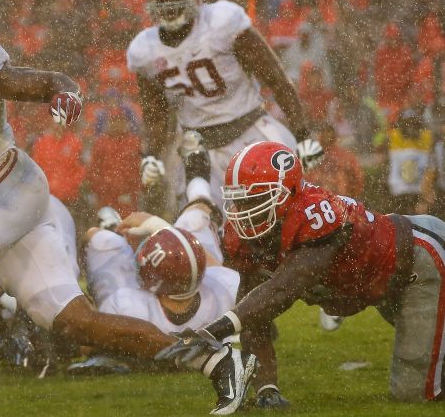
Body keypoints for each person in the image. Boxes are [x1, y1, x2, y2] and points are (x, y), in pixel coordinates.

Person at [0, 0, 255, 415]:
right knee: (74, 321)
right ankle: (216, 361)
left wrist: (64, 91)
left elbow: (38, 82)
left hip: (6, 180)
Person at [164, 140, 445, 406]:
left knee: (414, 392)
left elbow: (283, 289)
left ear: (290, 192)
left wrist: (211, 331)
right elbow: (254, 314)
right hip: (380, 285)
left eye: (256, 199)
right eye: (240, 200)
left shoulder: (315, 213)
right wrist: (267, 388)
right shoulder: (248, 236)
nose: (245, 211)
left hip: (418, 267)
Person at [128, 0, 306, 214]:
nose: (169, 5)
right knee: (200, 224)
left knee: (286, 210)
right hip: (198, 151)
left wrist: (302, 132)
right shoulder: (144, 50)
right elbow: (156, 115)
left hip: (251, 133)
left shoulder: (222, 22)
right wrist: (151, 156)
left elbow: (274, 77)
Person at [71, 165, 239, 376]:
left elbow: (85, 341)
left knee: (101, 240)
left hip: (132, 315)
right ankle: (198, 183)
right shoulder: (225, 290)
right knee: (196, 217)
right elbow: (210, 266)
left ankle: (112, 229)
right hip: (196, 298)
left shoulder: (126, 304)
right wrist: (159, 226)